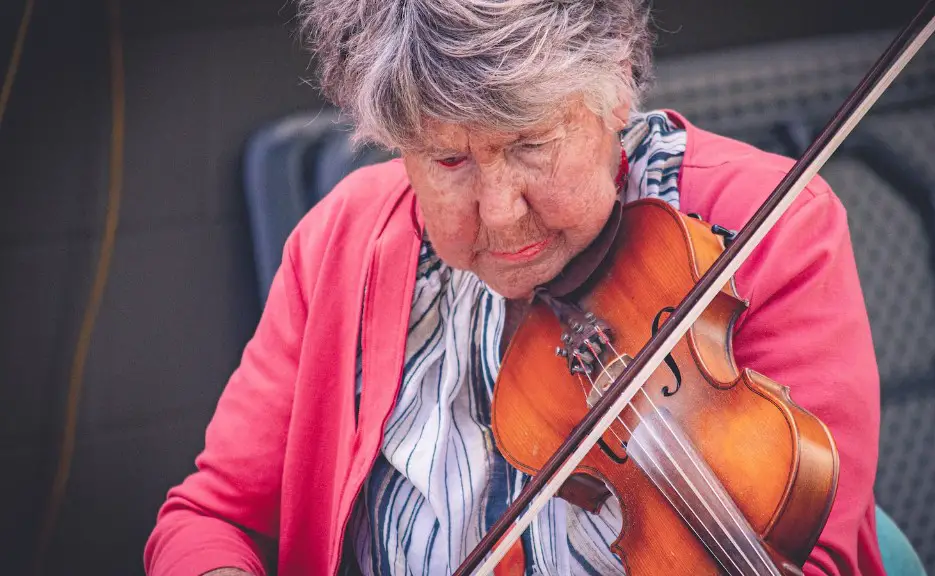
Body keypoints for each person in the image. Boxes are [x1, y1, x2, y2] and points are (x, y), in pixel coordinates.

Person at [144, 1, 884, 574]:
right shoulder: (339, 244)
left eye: (530, 142)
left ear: (615, 92)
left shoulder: (761, 232)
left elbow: (821, 555)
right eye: (448, 161)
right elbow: (212, 519)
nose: (500, 213)